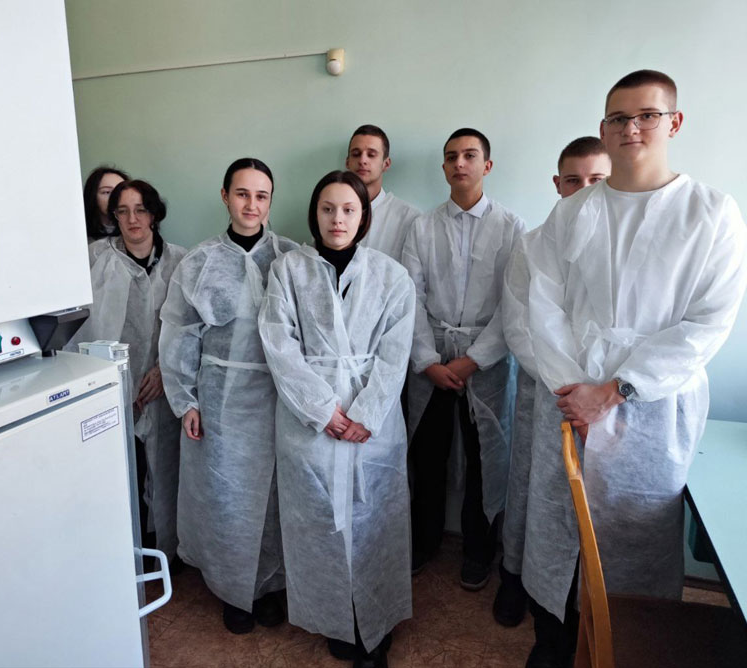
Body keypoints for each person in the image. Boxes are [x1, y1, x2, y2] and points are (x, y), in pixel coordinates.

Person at [512, 70, 747, 668]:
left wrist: (617, 390)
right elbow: (543, 306)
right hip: (566, 399)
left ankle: (625, 647)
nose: (632, 128)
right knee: (558, 529)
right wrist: (575, 392)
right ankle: (553, 641)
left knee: (634, 541)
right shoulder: (570, 215)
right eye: (619, 118)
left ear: (674, 122)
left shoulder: (711, 214)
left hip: (652, 412)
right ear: (604, 128)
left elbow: (707, 324)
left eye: (647, 115)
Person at [259, 170, 415, 668]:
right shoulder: (288, 271)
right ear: (315, 214)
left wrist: (366, 413)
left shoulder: (392, 275)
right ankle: (334, 618)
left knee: (374, 520)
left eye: (349, 209)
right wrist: (323, 410)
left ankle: (375, 623)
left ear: (364, 216)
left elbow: (395, 353)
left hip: (373, 425)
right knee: (318, 522)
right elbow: (279, 346)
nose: (338, 219)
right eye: (328, 208)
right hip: (310, 422)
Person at [158, 158, 298, 635]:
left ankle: (271, 585)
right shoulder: (198, 263)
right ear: (225, 196)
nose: (251, 205)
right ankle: (234, 592)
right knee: (226, 497)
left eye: (261, 196)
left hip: (277, 399)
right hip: (219, 403)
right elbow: (179, 334)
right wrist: (186, 400)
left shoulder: (290, 259)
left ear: (270, 201)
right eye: (242, 194)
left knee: (273, 497)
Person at [495, 138, 610, 634]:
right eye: (573, 180)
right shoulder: (533, 243)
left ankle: (587, 613)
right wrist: (568, 387)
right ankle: (518, 581)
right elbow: (519, 324)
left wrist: (599, 391)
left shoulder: (623, 246)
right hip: (549, 398)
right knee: (534, 495)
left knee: (597, 510)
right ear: (557, 184)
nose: (584, 190)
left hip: (606, 404)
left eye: (597, 180)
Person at [402, 128, 525, 589]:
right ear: (443, 166)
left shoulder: (511, 227)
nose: (460, 163)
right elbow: (410, 296)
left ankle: (479, 549)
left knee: (484, 460)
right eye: (452, 156)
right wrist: (428, 361)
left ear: (486, 166)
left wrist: (473, 360)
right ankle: (424, 540)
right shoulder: (422, 226)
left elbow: (513, 304)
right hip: (431, 358)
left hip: (486, 361)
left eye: (470, 155)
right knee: (427, 455)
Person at [66, 178, 186, 564]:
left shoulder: (180, 262)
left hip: (162, 387)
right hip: (110, 388)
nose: (132, 219)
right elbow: (79, 331)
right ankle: (119, 555)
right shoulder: (96, 259)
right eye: (123, 211)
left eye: (140, 210)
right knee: (120, 472)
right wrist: (111, 382)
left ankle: (161, 551)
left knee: (164, 471)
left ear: (154, 214)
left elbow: (188, 330)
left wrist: (165, 371)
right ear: (114, 216)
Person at [344, 124, 421, 262]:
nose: (362, 160)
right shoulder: (330, 212)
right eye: (356, 154)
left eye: (371, 155)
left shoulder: (409, 219)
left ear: (386, 164)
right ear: (347, 162)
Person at [82, 165, 129, 242]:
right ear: (92, 196)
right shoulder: (80, 234)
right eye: (107, 192)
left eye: (121, 191)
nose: (116, 196)